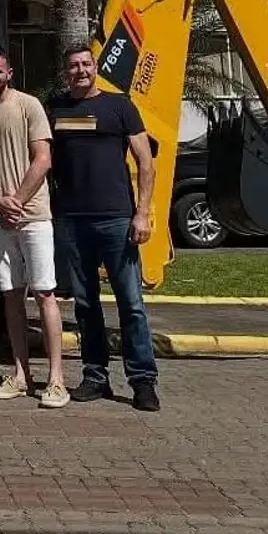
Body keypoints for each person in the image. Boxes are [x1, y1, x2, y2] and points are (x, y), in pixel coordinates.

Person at [48, 43, 160, 412]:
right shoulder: (56, 108)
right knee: (84, 304)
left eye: (85, 64)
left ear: (95, 67)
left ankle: (142, 381)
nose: (80, 70)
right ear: (66, 72)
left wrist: (141, 213)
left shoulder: (120, 106)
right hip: (73, 220)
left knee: (131, 304)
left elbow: (146, 162)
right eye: (73, 66)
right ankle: (95, 376)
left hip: (116, 219)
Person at [0, 48, 69, 409]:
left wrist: (17, 200)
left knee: (44, 293)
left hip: (33, 215)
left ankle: (56, 379)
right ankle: (21, 374)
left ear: (9, 73)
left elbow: (43, 159)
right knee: (10, 295)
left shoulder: (29, 106)